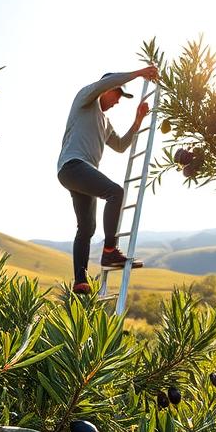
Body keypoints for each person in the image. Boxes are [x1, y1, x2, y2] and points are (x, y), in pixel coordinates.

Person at [56, 66, 159, 293]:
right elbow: (107, 82)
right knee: (115, 192)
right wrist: (140, 72)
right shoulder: (86, 100)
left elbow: (121, 146)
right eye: (117, 94)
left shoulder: (105, 122)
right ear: (107, 89)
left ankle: (80, 281)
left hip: (81, 172)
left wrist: (138, 120)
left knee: (86, 228)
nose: (118, 101)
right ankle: (110, 251)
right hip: (72, 166)